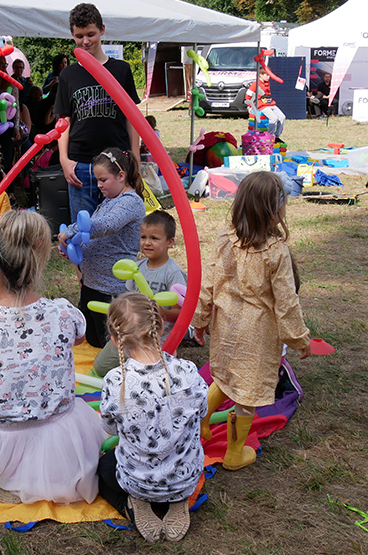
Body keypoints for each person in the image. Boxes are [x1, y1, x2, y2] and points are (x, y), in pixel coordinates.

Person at [0, 210, 106, 504]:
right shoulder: (64, 312)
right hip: (62, 434)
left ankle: (9, 476)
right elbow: (79, 337)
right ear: (38, 264)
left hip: (0, 439)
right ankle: (43, 475)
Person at [193, 171, 311, 471]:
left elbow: (207, 282)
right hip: (257, 333)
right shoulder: (276, 252)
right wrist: (299, 338)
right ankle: (235, 453)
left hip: (226, 325)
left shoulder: (225, 238)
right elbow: (287, 302)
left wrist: (201, 319)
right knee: (246, 394)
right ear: (276, 209)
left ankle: (202, 417)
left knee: (224, 376)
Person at [98, 292, 207, 543]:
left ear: (115, 339)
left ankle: (133, 504)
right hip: (184, 476)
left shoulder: (116, 382)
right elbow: (201, 413)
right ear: (160, 329)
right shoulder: (188, 371)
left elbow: (110, 429)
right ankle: (178, 499)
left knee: (104, 468)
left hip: (138, 481)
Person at [54, 3, 141, 223]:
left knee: (118, 230)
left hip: (117, 163)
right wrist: (64, 160)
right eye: (79, 35)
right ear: (72, 34)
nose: (86, 41)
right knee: (84, 233)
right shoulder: (68, 75)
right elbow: (64, 121)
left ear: (102, 29)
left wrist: (136, 159)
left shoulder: (121, 70)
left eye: (91, 34)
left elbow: (133, 119)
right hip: (81, 166)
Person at [58, 149, 145, 348]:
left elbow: (106, 226)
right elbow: (90, 234)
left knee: (111, 346)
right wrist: (74, 246)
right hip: (93, 284)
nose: (98, 185)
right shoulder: (109, 201)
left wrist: (69, 232)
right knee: (93, 340)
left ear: (121, 175)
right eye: (97, 180)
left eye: (103, 180)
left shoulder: (130, 202)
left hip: (112, 289)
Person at [93, 210, 187, 377]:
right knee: (101, 367)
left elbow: (181, 314)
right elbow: (128, 297)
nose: (147, 243)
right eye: (143, 237)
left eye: (154, 238)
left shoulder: (173, 273)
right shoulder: (137, 267)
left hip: (157, 338)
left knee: (152, 376)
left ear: (170, 242)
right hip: (130, 332)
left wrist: (163, 313)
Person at [246, 66, 285, 141]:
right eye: (266, 75)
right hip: (262, 105)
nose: (268, 77)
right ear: (260, 75)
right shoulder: (255, 84)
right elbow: (248, 95)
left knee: (282, 117)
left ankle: (277, 136)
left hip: (270, 103)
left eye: (269, 75)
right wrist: (250, 105)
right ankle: (270, 136)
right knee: (273, 118)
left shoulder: (267, 83)